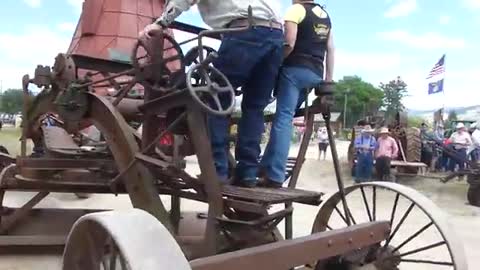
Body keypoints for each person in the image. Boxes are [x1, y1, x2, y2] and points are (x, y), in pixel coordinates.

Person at [140, 0, 284, 187]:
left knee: (215, 100)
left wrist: (160, 24)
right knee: (255, 107)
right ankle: (247, 173)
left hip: (245, 32)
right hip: (275, 37)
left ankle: (218, 171)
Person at [260, 0, 335, 188]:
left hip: (294, 70)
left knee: (283, 119)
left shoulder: (295, 10)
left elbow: (289, 43)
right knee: (285, 117)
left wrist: (274, 64)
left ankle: (275, 175)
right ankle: (266, 166)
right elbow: (331, 49)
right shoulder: (325, 16)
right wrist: (328, 80)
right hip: (315, 74)